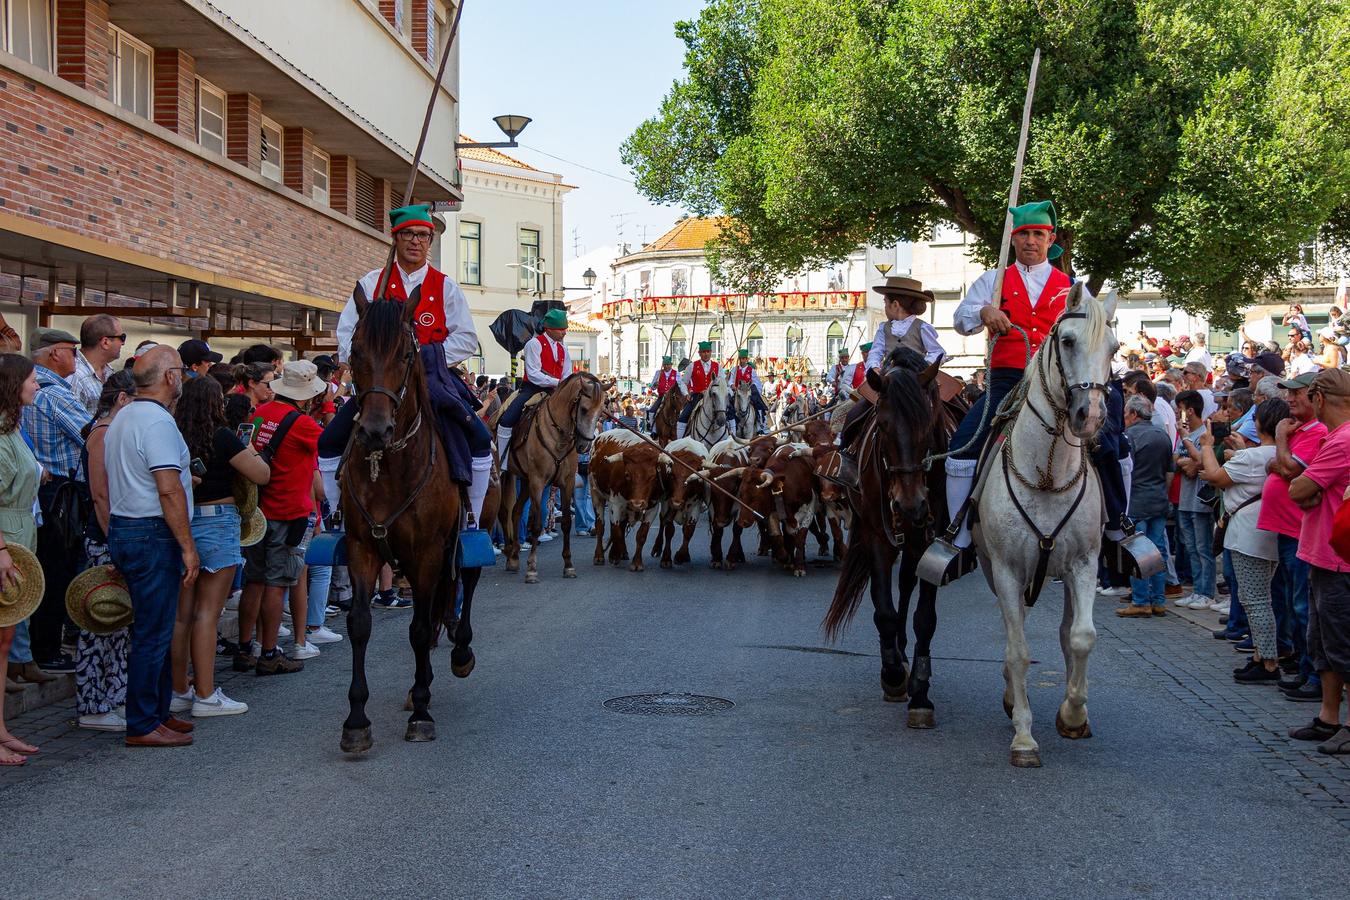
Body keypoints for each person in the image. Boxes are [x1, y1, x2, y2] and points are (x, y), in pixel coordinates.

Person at [941, 201, 1076, 552]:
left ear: (1051, 239)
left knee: (1110, 444)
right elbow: (960, 319)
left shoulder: (1071, 287)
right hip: (1007, 379)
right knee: (961, 448)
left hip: (1058, 384)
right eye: (1023, 234)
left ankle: (1117, 527)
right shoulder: (993, 280)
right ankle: (959, 531)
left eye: (1038, 234)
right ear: (1013, 240)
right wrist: (984, 310)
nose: (1030, 241)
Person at [104, 346, 198, 747]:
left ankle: (156, 713)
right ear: (169, 378)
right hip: (151, 532)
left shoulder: (126, 415)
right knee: (153, 632)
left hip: (129, 527)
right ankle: (143, 723)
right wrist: (187, 546)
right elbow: (168, 489)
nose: (183, 378)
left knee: (154, 628)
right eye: (179, 371)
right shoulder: (156, 422)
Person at [170, 376, 269, 716]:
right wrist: (251, 447)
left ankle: (178, 688)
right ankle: (207, 694)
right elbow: (261, 474)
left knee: (182, 616)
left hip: (181, 519)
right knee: (208, 615)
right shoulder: (223, 436)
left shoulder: (173, 435)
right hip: (217, 519)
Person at [238, 361, 325, 675]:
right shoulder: (302, 423)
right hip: (289, 512)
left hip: (259, 511)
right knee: (277, 584)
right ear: (304, 395)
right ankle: (270, 652)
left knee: (254, 580)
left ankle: (246, 646)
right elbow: (330, 446)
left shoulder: (259, 414)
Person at [1197, 398, 1287, 681]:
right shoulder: (1274, 454)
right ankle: (1262, 654)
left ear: (1259, 424)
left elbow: (1214, 476)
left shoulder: (1253, 457)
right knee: (1259, 597)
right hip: (1262, 531)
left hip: (1248, 534)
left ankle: (1268, 661)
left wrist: (1208, 445)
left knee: (1256, 599)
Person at [1285, 368, 1350, 754]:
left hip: (1338, 558)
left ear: (1320, 399)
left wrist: (1308, 490)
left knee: (1341, 643)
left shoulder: (1342, 441)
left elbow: (1300, 488)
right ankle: (1329, 718)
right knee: (1323, 643)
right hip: (1324, 553)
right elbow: (1305, 490)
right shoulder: (1335, 438)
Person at [22, 327, 90, 674]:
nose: (76, 359)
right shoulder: (55, 393)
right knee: (55, 570)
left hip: (43, 491)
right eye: (71, 351)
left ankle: (37, 648)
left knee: (46, 568)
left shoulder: (42, 389)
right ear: (54, 353)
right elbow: (89, 435)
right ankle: (46, 648)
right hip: (59, 492)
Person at [76, 371, 135, 732]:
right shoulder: (101, 433)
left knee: (117, 623)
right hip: (104, 537)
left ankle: (112, 696)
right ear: (123, 399)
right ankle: (94, 702)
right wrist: (116, 540)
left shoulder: (108, 431)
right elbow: (101, 494)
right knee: (100, 621)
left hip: (111, 535)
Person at [1264, 372, 1328, 702]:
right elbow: (1276, 466)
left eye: (1297, 393)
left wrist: (1279, 438)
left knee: (1304, 606)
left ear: (1316, 398)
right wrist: (1280, 458)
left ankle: (1315, 674)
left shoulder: (1314, 432)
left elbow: (1287, 469)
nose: (1290, 399)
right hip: (1291, 531)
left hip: (1301, 529)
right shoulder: (1299, 430)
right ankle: (1305, 669)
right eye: (1288, 393)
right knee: (1295, 602)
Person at [0, 354, 43, 764]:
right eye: (32, 379)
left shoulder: (13, 427)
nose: (37, 386)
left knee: (5, 638)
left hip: (18, 534)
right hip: (5, 540)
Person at [1117, 394, 1174, 618]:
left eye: (1126, 414)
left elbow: (1125, 471)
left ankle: (1141, 600)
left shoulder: (1129, 436)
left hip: (1137, 501)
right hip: (1158, 499)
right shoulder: (1162, 435)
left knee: (1139, 551)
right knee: (1158, 550)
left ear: (1133, 414)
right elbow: (1170, 471)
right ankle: (1158, 599)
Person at [1174, 390, 1217, 610]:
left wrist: (1191, 458)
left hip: (1201, 501)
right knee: (1191, 547)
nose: (1176, 413)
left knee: (1203, 548)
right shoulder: (1188, 435)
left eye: (1179, 409)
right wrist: (1188, 461)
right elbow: (1177, 460)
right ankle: (1197, 590)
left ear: (1189, 410)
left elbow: (1200, 462)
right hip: (1185, 499)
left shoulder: (1204, 433)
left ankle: (1206, 592)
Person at [69, 313, 124, 415]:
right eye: (122, 337)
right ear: (105, 342)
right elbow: (75, 425)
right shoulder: (74, 375)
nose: (123, 343)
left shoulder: (109, 372)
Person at [673, 341, 719, 441]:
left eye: (707, 351)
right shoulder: (692, 366)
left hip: (713, 397)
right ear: (699, 353)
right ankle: (679, 442)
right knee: (682, 417)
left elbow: (723, 382)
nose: (706, 354)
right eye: (703, 352)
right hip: (697, 396)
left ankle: (729, 438)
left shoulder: (717, 366)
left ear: (711, 352)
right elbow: (683, 382)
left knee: (729, 414)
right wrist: (686, 394)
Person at [729, 348, 768, 434]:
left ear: (747, 359)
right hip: (737, 392)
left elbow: (757, 383)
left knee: (757, 402)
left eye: (744, 358)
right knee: (728, 405)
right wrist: (732, 385)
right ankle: (729, 425)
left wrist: (751, 390)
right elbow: (730, 380)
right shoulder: (734, 370)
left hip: (747, 392)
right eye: (740, 358)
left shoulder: (751, 370)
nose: (742, 360)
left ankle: (759, 423)